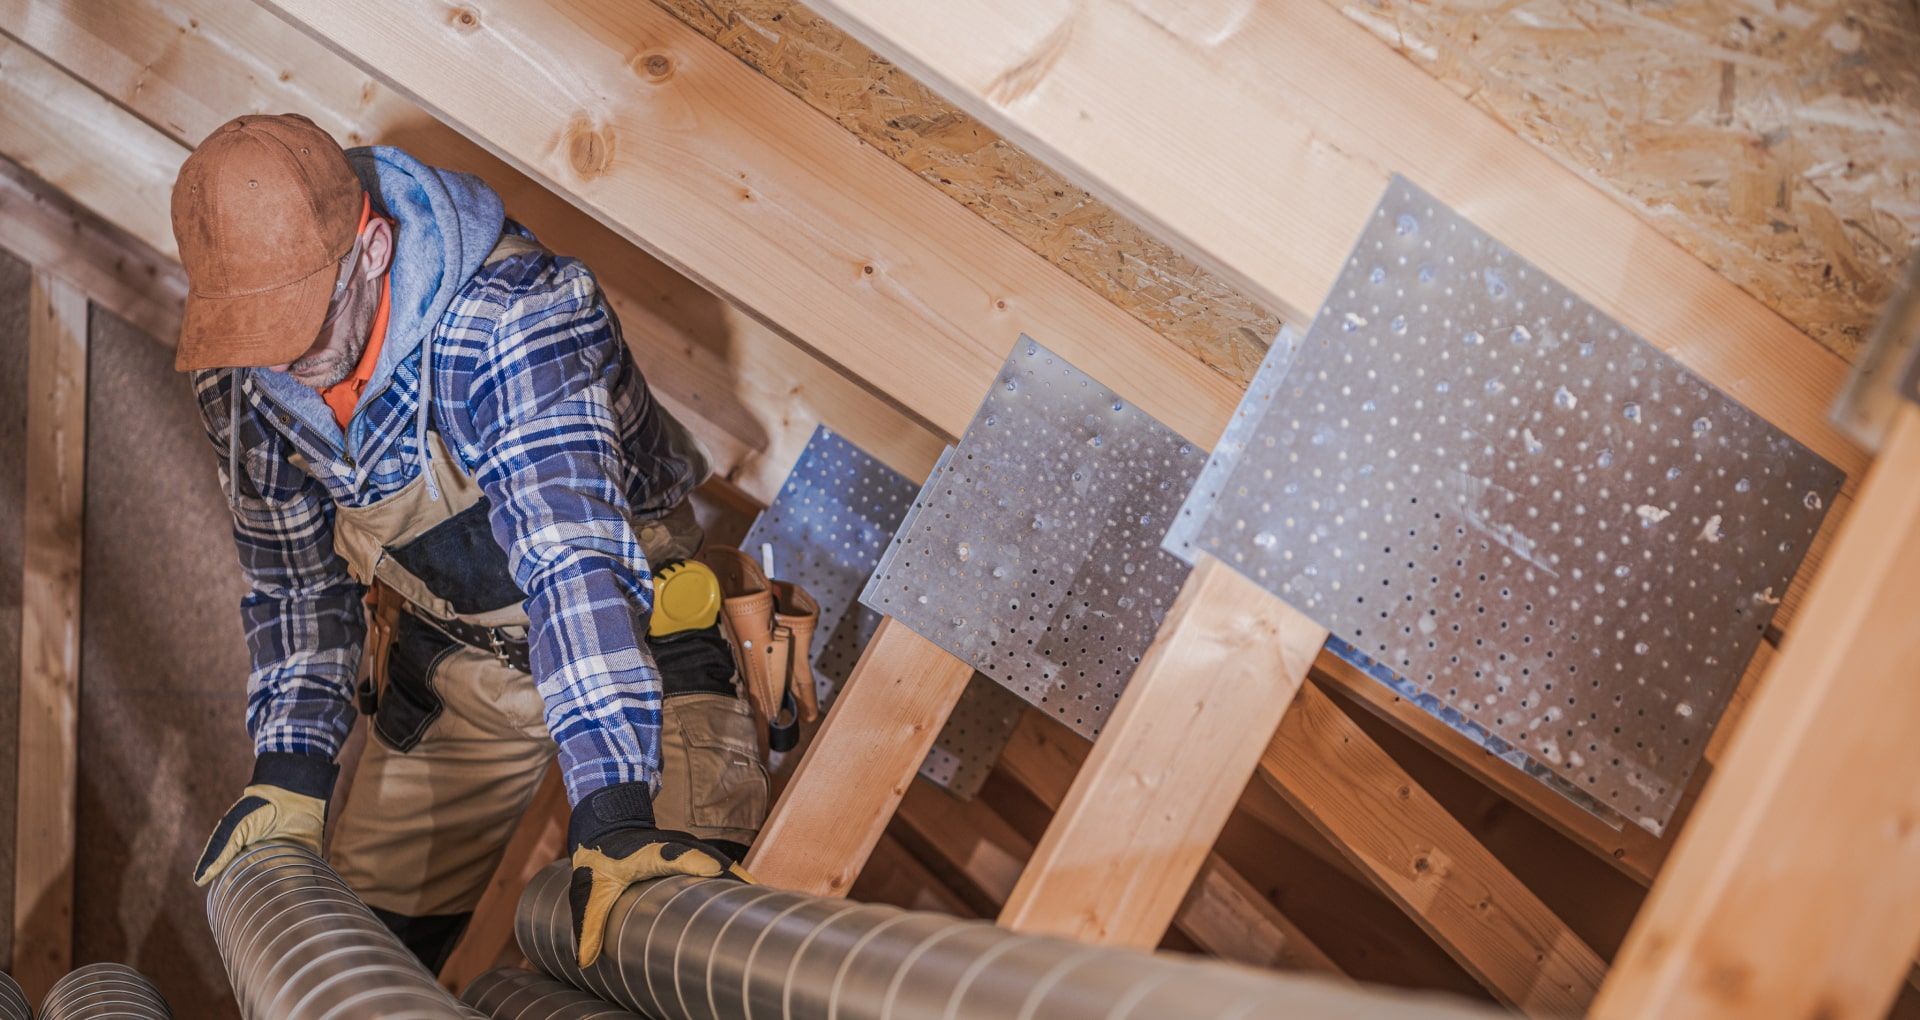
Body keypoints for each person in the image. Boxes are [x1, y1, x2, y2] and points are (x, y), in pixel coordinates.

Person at [175, 114, 766, 971]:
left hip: (627, 643)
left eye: (299, 321)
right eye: (253, 334)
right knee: (355, 966)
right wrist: (292, 762)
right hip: (462, 668)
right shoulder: (240, 377)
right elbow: (298, 587)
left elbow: (572, 559)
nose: (281, 360)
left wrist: (613, 806)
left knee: (673, 949)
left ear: (371, 251)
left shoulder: (510, 315)